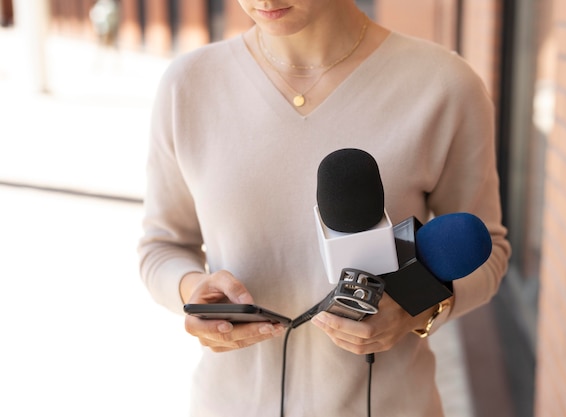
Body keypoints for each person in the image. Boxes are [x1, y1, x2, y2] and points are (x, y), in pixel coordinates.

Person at [138, 1, 511, 416]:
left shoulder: (445, 85)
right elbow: (161, 247)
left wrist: (417, 306)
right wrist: (193, 292)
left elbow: (489, 250)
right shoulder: (187, 85)